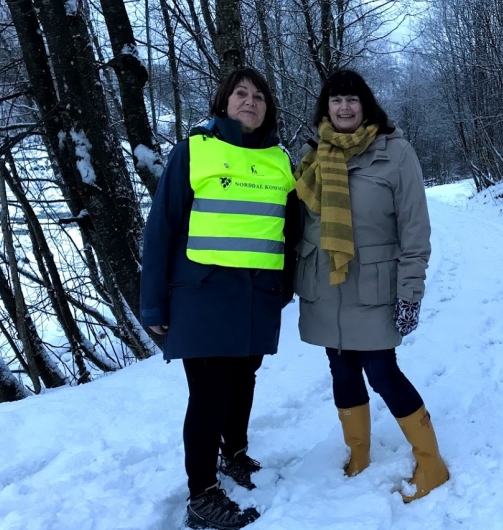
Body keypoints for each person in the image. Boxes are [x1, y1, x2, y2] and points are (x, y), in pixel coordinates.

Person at [140, 68, 300, 530]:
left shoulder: (279, 159)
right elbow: (161, 229)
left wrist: (284, 285)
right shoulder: (194, 151)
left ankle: (236, 454)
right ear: (224, 102)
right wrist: (153, 305)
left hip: (258, 296)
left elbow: (289, 231)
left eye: (258, 96)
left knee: (243, 380)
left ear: (267, 107)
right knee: (209, 394)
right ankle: (201, 494)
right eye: (240, 94)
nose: (250, 102)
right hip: (203, 295)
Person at [294, 69, 449, 503]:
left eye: (352, 100)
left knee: (383, 372)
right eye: (336, 100)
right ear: (325, 107)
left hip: (375, 287)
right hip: (325, 286)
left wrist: (410, 292)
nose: (344, 107)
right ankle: (358, 453)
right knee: (340, 369)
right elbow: (297, 222)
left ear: (366, 106)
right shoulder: (312, 156)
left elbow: (415, 230)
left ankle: (431, 463)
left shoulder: (395, 153)